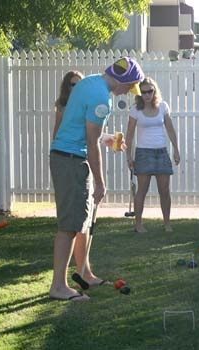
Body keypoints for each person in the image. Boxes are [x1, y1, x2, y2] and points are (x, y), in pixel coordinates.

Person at [49, 57, 145, 301]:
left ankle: (86, 273)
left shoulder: (89, 82)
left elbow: (82, 129)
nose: (128, 91)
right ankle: (58, 286)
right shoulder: (102, 99)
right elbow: (91, 144)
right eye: (130, 86)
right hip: (72, 160)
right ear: (123, 79)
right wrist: (101, 183)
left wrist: (108, 138)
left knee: (81, 221)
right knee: (69, 226)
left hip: (67, 155)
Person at [125, 77, 180, 233]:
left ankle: (167, 223)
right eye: (144, 92)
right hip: (143, 152)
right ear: (139, 93)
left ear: (155, 91)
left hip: (161, 151)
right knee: (142, 190)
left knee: (165, 191)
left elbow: (170, 129)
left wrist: (176, 149)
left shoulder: (163, 106)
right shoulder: (135, 109)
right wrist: (129, 156)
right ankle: (138, 224)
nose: (147, 95)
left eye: (150, 91)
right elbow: (129, 134)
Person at [53, 70, 84, 139]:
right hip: (64, 143)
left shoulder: (87, 101)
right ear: (67, 86)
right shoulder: (62, 102)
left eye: (79, 84)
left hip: (81, 144)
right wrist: (54, 143)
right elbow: (58, 125)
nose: (77, 87)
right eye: (73, 84)